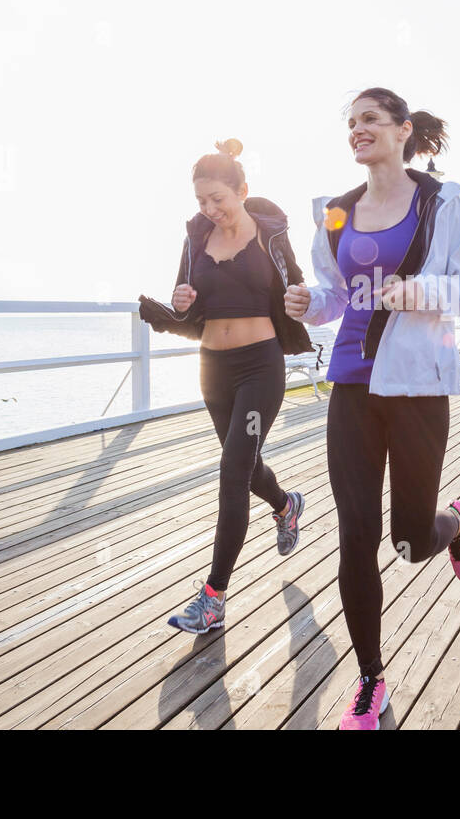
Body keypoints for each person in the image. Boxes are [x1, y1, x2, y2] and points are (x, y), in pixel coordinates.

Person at [284, 88, 460, 729]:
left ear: (402, 131)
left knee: (407, 540)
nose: (357, 129)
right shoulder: (336, 214)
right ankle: (371, 681)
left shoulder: (442, 202)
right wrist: (308, 305)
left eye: (370, 119)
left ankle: (448, 524)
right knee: (356, 537)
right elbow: (335, 296)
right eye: (350, 122)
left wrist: (414, 290)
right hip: (350, 385)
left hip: (417, 385)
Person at [139, 139, 314, 634]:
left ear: (242, 190)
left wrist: (301, 299)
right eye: (201, 201)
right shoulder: (196, 238)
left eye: (218, 198)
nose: (210, 209)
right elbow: (185, 306)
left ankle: (213, 598)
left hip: (260, 367)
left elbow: (297, 290)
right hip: (211, 369)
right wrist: (179, 298)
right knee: (247, 464)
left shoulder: (270, 236)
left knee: (232, 469)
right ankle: (285, 504)